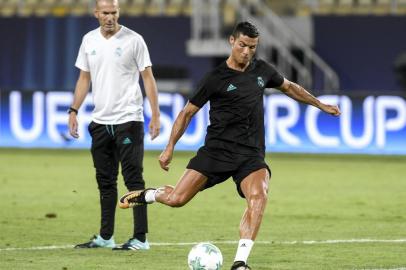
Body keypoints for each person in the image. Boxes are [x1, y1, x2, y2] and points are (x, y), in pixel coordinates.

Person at [119, 21, 341, 268]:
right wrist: (170, 147)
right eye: (243, 45)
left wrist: (320, 104)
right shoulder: (215, 78)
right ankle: (150, 194)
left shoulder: (262, 71)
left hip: (250, 155)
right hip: (216, 152)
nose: (247, 52)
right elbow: (186, 113)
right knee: (176, 199)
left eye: (252, 47)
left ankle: (240, 263)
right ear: (232, 42)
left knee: (259, 195)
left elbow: (290, 88)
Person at [68, 0, 160, 251]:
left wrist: (156, 115)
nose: (110, 17)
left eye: (114, 12)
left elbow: (147, 78)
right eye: (105, 13)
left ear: (119, 13)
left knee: (133, 179)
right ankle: (106, 236)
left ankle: (140, 238)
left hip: (128, 120)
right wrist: (74, 110)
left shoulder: (134, 40)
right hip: (100, 122)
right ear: (96, 13)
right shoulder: (89, 40)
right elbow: (84, 78)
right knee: (105, 181)